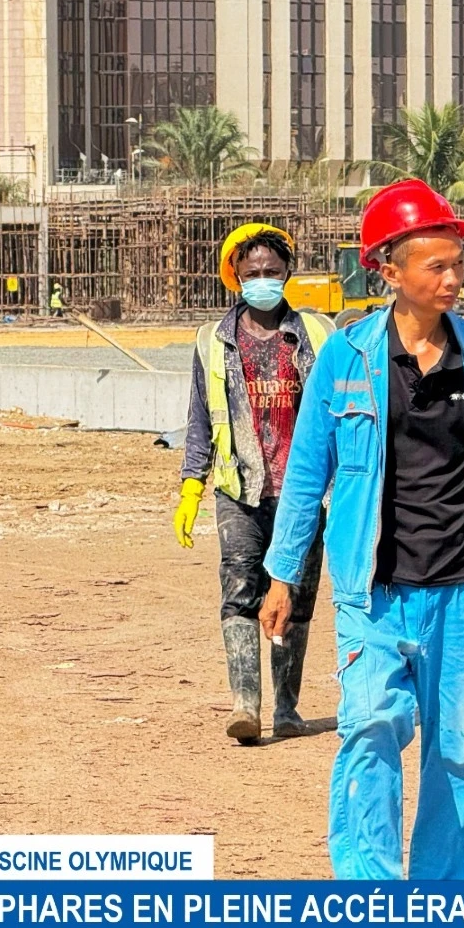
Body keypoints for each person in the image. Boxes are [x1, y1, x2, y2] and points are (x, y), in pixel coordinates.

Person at [260, 180, 464, 928]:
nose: (453, 279)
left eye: (457, 264)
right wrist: (282, 572)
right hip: (376, 590)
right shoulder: (347, 358)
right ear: (389, 272)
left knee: (461, 748)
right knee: (370, 727)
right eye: (435, 266)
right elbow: (307, 471)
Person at [175, 224, 335, 744]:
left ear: (287, 272)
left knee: (298, 598)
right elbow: (201, 418)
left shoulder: (317, 333)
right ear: (235, 278)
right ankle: (246, 707)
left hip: (304, 492)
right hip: (238, 489)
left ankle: (287, 710)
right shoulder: (212, 340)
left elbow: (341, 409)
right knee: (239, 593)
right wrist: (190, 487)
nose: (262, 280)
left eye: (271, 272)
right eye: (252, 273)